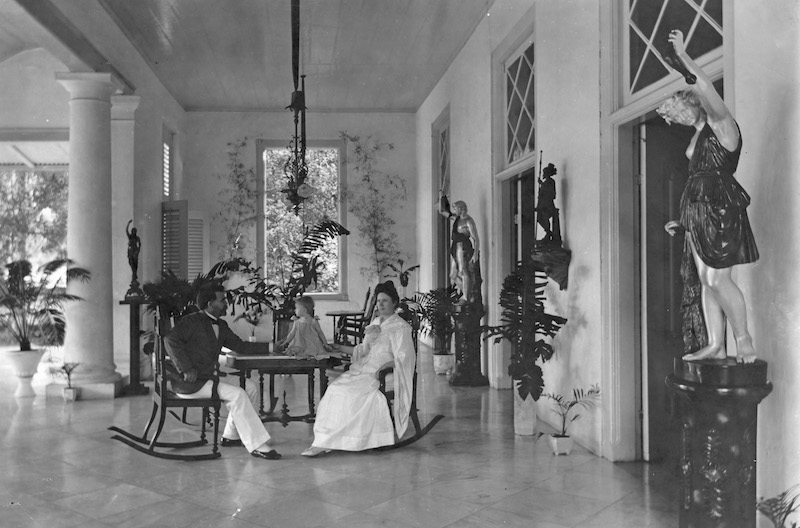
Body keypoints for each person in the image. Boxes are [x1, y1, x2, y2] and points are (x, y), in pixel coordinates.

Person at [657, 29, 759, 364]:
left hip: (721, 207)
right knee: (704, 279)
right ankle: (716, 343)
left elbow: (707, 89)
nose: (680, 120)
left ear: (693, 103)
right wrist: (684, 221)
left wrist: (684, 58)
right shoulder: (700, 135)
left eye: (681, 112)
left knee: (717, 277)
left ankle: (743, 340)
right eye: (675, 119)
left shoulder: (722, 125)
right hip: (699, 210)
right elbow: (696, 182)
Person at [164, 283, 281, 459]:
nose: (226, 303)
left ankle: (231, 436)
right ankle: (257, 444)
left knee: (250, 387)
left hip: (208, 378)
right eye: (222, 300)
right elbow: (170, 340)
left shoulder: (222, 325)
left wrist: (272, 347)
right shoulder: (192, 321)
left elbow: (240, 345)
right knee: (238, 395)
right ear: (210, 304)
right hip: (191, 384)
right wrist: (186, 368)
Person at [301, 280, 415, 456]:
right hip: (365, 369)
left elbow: (404, 358)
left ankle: (350, 439)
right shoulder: (376, 322)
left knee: (351, 394)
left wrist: (384, 366)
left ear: (394, 302)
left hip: (384, 373)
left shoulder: (401, 327)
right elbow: (362, 350)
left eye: (385, 300)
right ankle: (325, 440)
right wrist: (338, 347)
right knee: (335, 388)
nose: (380, 304)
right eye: (378, 301)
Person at [437, 193, 480, 303]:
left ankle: (466, 297)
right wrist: (442, 197)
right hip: (456, 246)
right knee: (453, 275)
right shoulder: (457, 218)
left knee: (462, 271)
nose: (454, 210)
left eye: (456, 208)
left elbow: (476, 238)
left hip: (463, 246)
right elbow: (443, 212)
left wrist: (475, 254)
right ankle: (468, 292)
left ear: (461, 209)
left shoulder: (468, 221)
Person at [536, 163, 558, 244]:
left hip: (548, 205)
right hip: (542, 204)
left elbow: (551, 192)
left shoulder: (551, 182)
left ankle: (549, 234)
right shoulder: (545, 183)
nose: (543, 174)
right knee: (539, 218)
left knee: (545, 217)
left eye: (545, 173)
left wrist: (541, 184)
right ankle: (548, 232)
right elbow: (541, 196)